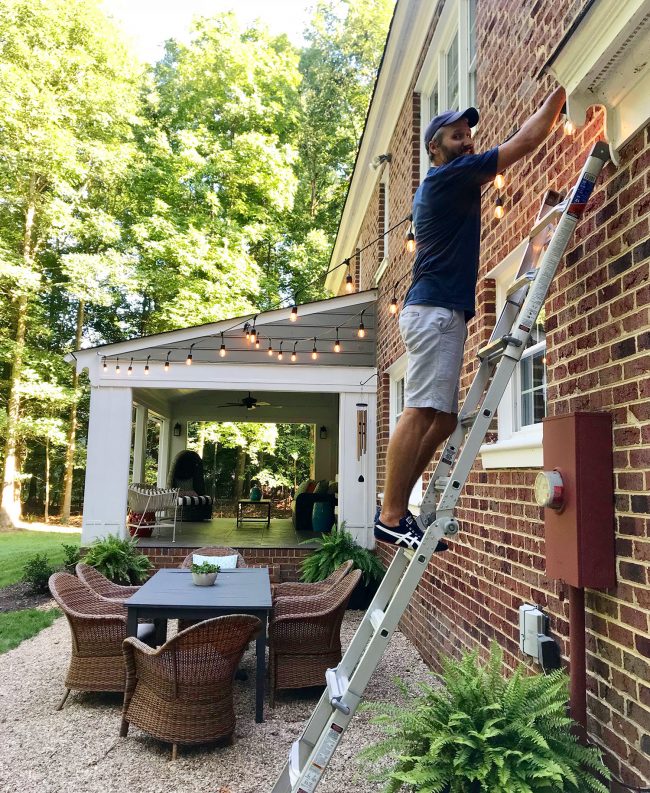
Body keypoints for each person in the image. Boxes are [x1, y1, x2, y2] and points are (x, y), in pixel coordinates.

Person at [374, 86, 566, 550]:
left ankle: (398, 508)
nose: (467, 141)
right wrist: (560, 94)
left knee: (442, 421)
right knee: (421, 411)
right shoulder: (448, 177)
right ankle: (391, 514)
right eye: (456, 136)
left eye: (468, 134)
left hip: (440, 311)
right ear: (434, 148)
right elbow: (523, 142)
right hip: (436, 311)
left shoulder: (447, 181)